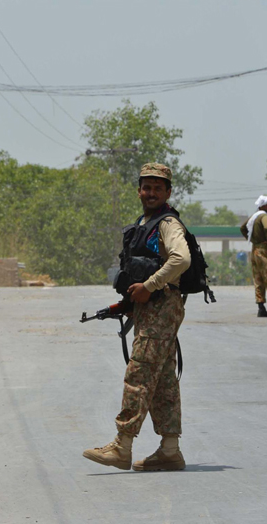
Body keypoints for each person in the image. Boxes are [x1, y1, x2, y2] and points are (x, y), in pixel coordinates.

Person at [83, 163, 190, 472]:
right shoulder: (144, 223)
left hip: (162, 305)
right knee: (164, 379)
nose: (151, 192)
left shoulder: (168, 223)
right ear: (139, 190)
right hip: (151, 307)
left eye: (158, 187)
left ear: (168, 192)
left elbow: (181, 259)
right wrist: (130, 302)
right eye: (147, 187)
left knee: (139, 374)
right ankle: (170, 449)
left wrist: (149, 286)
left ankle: (122, 445)